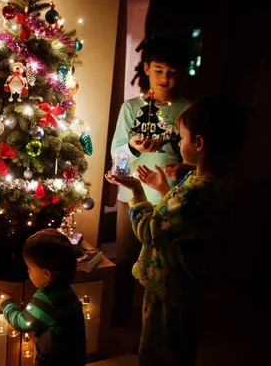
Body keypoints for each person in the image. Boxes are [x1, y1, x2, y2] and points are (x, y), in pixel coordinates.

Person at [105, 96, 247, 365]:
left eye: (182, 138)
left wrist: (136, 191)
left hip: (171, 288)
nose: (179, 143)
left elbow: (151, 231)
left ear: (199, 143)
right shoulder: (212, 183)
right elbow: (182, 221)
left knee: (163, 351)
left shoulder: (197, 191)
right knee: (179, 346)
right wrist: (162, 189)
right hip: (190, 286)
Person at [110, 35, 194, 328]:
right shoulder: (131, 108)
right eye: (159, 70)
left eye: (171, 72)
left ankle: (156, 319)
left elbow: (199, 156)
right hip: (132, 197)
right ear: (146, 69)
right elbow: (116, 151)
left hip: (170, 198)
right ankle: (120, 317)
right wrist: (133, 148)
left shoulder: (188, 109)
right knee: (125, 260)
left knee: (164, 265)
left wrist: (183, 168)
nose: (165, 79)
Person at [0, 229, 86, 365]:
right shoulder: (66, 291)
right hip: (75, 357)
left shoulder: (45, 298)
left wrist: (5, 303)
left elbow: (22, 322)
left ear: (46, 273)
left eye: (30, 268)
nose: (27, 271)